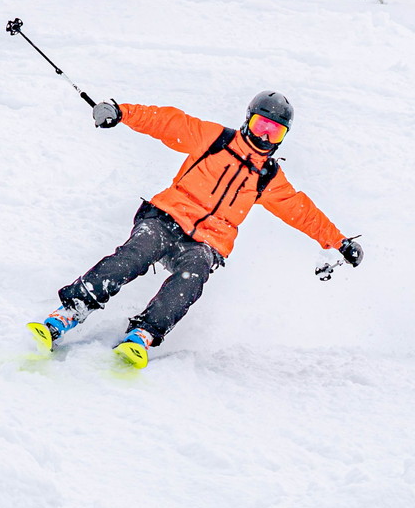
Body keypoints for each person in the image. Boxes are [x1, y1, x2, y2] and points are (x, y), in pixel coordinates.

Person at [27, 91, 363, 367]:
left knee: (193, 273)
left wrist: (338, 241)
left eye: (274, 132)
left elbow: (302, 212)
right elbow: (165, 121)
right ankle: (72, 310)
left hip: (207, 241)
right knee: (136, 253)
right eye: (261, 125)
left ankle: (143, 334)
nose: (264, 136)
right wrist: (120, 112)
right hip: (165, 217)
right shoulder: (215, 139)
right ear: (248, 120)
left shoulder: (268, 178)